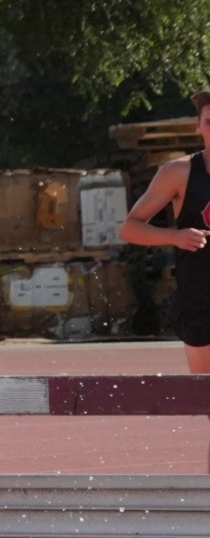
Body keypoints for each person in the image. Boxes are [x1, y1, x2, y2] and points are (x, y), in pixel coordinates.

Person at [120, 88, 210, 472]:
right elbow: (130, 228)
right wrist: (175, 236)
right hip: (199, 303)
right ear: (199, 127)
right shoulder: (180, 172)